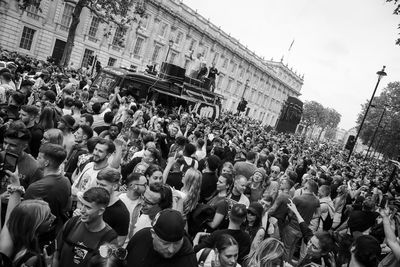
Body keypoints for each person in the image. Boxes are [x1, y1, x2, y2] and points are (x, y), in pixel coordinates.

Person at [53, 187, 118, 267]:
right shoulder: (72, 223)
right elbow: (56, 252)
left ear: (101, 211)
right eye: (82, 204)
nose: (82, 210)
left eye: (88, 207)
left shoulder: (109, 238)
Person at [24, 143, 71, 240]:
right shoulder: (66, 181)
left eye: (39, 157)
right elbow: (67, 207)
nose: (36, 158)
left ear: (46, 163)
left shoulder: (36, 188)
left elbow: (25, 217)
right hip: (55, 232)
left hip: (36, 235)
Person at [126, 209, 197, 267]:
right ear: (153, 234)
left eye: (177, 243)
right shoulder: (141, 237)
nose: (171, 250)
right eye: (165, 243)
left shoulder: (188, 261)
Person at [0, 200, 55, 267]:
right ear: (33, 225)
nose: (54, 217)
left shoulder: (10, 243)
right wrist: (48, 264)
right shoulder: (32, 260)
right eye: (48, 217)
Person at [282, 180, 320, 262]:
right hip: (303, 229)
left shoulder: (297, 198)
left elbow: (290, 214)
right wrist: (308, 218)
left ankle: (285, 263)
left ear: (305, 187)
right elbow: (318, 214)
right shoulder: (316, 200)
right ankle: (288, 263)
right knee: (293, 247)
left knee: (286, 248)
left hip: (292, 227)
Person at [1, 121, 43, 189]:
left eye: (12, 145)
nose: (6, 148)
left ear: (24, 147)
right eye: (5, 143)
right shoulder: (0, 156)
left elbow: (33, 197)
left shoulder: (34, 168)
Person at [96, 168, 129, 246]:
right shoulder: (94, 200)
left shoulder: (121, 213)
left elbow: (120, 241)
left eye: (102, 185)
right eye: (97, 183)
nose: (98, 187)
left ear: (114, 187)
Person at [119, 172, 147, 247]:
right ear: (134, 186)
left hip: (133, 245)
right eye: (144, 185)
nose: (147, 187)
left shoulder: (145, 204)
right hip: (117, 244)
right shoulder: (119, 200)